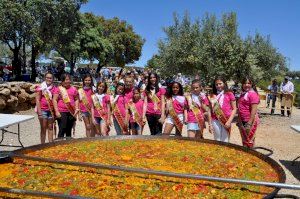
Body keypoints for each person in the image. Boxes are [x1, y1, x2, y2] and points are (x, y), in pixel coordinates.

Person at [210, 77, 237, 142]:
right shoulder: (212, 95)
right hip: (215, 120)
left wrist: (229, 121)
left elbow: (234, 109)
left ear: (224, 83)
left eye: (220, 83)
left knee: (225, 140)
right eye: (216, 84)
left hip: (226, 119)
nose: (218, 86)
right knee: (217, 139)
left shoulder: (230, 94)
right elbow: (210, 110)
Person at [53, 73, 79, 138]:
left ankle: (68, 145)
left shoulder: (74, 89)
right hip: (61, 111)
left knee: (69, 129)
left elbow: (76, 99)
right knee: (62, 128)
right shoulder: (59, 89)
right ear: (62, 81)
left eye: (68, 79)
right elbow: (54, 100)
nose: (66, 81)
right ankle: (59, 145)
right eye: (64, 80)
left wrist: (76, 109)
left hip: (71, 111)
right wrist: (56, 111)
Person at [237, 77, 260, 148]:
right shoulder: (243, 94)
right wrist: (239, 120)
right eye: (245, 83)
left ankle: (251, 155)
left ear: (251, 84)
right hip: (242, 120)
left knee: (249, 141)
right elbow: (240, 108)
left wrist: (249, 123)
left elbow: (254, 109)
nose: (246, 85)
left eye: (248, 83)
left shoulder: (253, 94)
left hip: (249, 121)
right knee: (244, 140)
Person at [35, 72, 56, 143]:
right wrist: (39, 112)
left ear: (53, 79)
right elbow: (37, 99)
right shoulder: (41, 87)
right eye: (47, 77)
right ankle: (42, 145)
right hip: (43, 110)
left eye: (50, 78)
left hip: (51, 110)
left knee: (50, 128)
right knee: (43, 128)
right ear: (45, 78)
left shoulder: (54, 88)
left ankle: (50, 145)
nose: (48, 79)